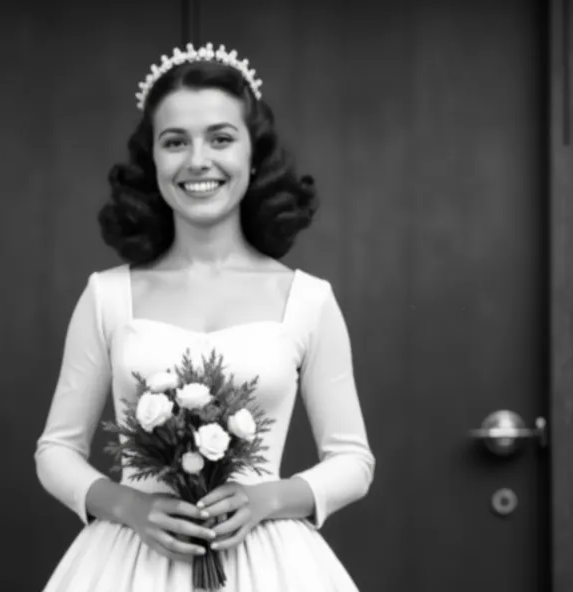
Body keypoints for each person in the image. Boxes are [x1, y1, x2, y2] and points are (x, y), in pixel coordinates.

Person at [34, 42, 375, 591]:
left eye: (220, 138)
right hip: (129, 560)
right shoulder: (107, 295)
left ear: (253, 155)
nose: (198, 160)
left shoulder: (308, 300)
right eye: (175, 142)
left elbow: (352, 460)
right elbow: (55, 451)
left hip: (270, 562)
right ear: (154, 161)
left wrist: (265, 499)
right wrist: (128, 506)